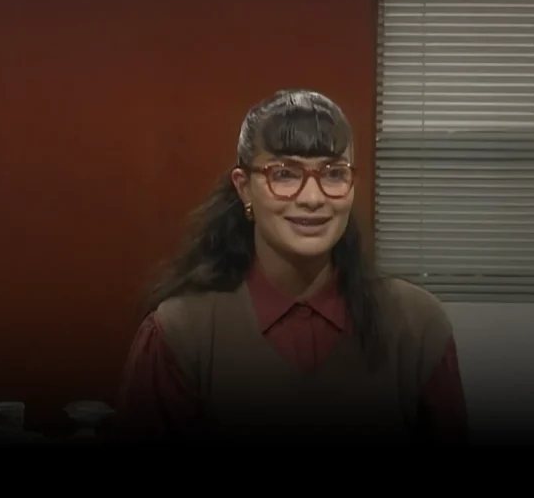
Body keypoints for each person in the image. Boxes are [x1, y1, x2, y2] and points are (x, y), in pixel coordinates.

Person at [116, 89, 468, 445]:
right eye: (284, 174)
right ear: (244, 188)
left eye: (333, 174)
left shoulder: (417, 326)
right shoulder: (181, 334)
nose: (313, 198)